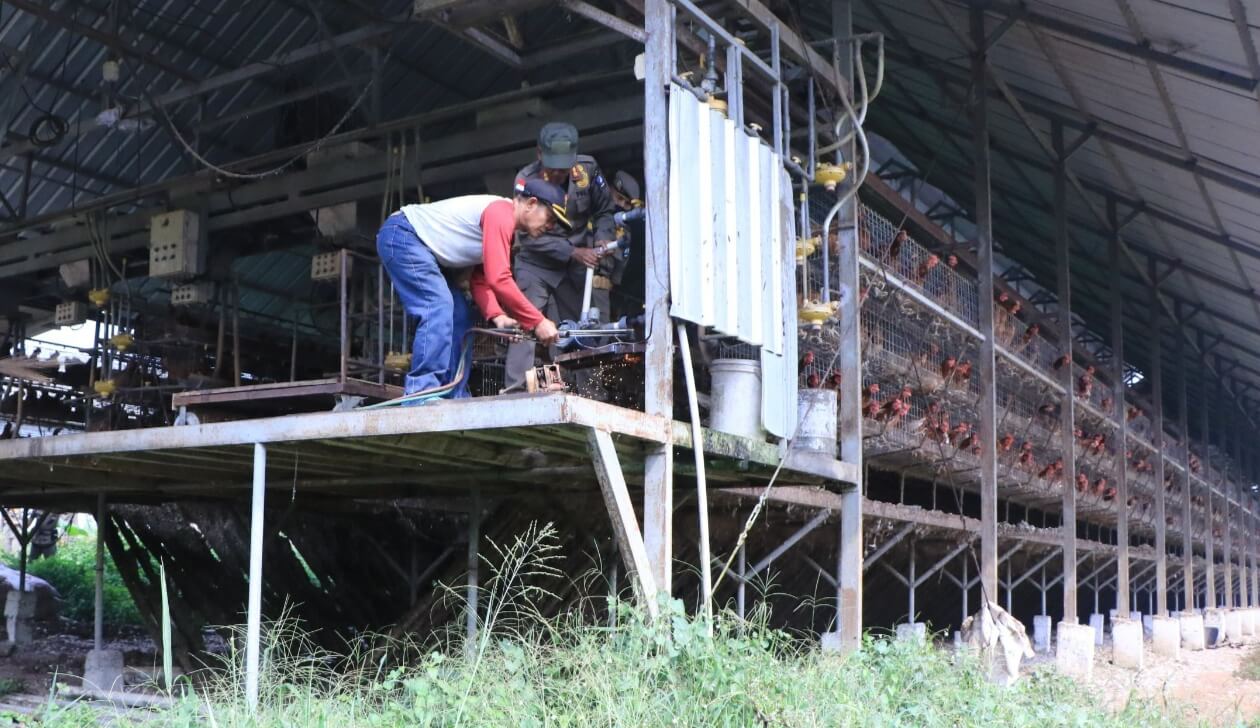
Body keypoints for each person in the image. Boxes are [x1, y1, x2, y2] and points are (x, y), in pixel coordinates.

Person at [377, 179, 566, 398]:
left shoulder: (504, 224)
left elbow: (481, 280)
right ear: (531, 203)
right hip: (402, 236)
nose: (550, 226)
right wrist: (538, 321)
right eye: (550, 218)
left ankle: (451, 393)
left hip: (417, 244)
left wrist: (497, 316)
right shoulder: (500, 213)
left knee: (461, 314)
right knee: (437, 306)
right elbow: (500, 279)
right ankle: (423, 391)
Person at [504, 122, 618, 392]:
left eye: (563, 167)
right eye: (552, 166)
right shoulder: (525, 180)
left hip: (576, 264)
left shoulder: (587, 171)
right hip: (537, 261)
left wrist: (602, 236)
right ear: (539, 154)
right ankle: (516, 393)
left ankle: (589, 394)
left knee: (580, 330)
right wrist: (574, 252)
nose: (557, 173)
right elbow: (528, 234)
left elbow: (604, 210)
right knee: (525, 324)